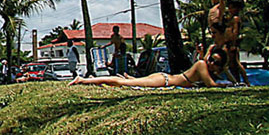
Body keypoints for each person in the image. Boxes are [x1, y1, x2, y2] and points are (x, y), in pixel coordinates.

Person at [70, 48, 230, 89]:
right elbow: (211, 85)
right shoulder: (201, 65)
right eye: (211, 59)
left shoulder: (206, 68)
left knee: (129, 83)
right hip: (165, 80)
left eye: (215, 62)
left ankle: (90, 80)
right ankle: (83, 80)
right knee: (123, 83)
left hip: (163, 77)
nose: (211, 63)